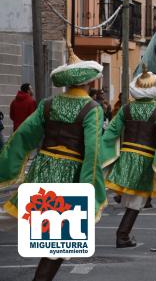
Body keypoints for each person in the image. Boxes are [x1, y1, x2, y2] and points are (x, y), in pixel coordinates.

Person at [0, 45, 106, 281]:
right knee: (60, 243)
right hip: (68, 176)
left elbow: (22, 137)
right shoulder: (93, 109)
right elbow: (94, 152)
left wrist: (6, 168)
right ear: (88, 83)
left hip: (42, 169)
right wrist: (91, 187)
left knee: (23, 219)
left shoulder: (47, 104)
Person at [102, 64, 156, 248]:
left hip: (125, 156)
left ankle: (123, 229)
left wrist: (103, 154)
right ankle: (122, 236)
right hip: (145, 158)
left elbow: (111, 133)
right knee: (138, 200)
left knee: (131, 195)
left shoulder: (126, 109)